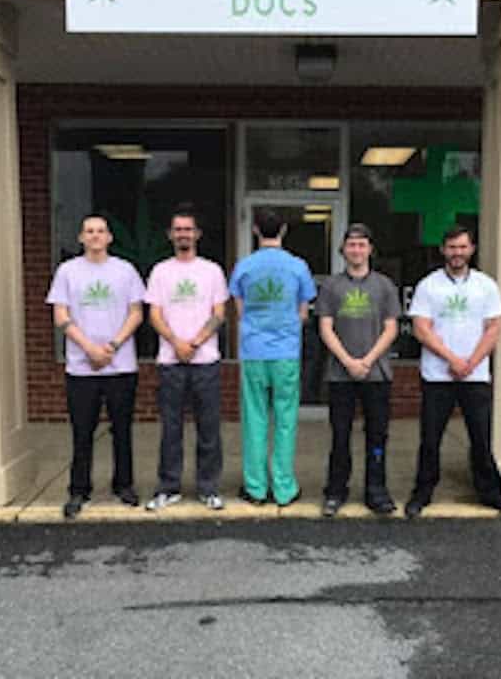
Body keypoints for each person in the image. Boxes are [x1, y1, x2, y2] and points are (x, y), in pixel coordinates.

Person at [405, 225, 501, 520]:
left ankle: (492, 493)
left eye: (462, 247)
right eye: (452, 247)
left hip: (475, 375)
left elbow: (494, 328)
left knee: (480, 437)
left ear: (472, 249)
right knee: (431, 439)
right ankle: (422, 493)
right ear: (443, 250)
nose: (457, 253)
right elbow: (421, 329)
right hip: (437, 375)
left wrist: (471, 362)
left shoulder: (486, 286)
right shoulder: (429, 286)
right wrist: (453, 359)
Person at [46, 214, 145, 519]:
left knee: (122, 429)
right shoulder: (67, 271)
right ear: (81, 238)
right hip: (81, 367)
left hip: (121, 365)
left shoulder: (125, 270)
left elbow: (136, 313)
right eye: (89, 231)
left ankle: (124, 485)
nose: (95, 236)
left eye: (101, 231)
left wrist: (112, 346)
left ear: (109, 237)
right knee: (82, 431)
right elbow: (61, 316)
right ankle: (79, 490)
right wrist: (89, 348)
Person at [229, 208, 316, 507]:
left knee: (254, 419)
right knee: (285, 419)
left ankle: (255, 488)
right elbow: (303, 313)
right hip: (286, 352)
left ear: (255, 230)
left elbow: (240, 312)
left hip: (253, 351)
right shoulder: (298, 266)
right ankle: (283, 487)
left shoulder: (244, 267)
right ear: (284, 230)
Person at [144, 207, 229, 511]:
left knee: (209, 429)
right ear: (170, 235)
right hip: (171, 362)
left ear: (197, 234)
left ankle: (208, 488)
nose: (183, 234)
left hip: (205, 361)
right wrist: (176, 343)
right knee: (171, 429)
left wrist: (195, 342)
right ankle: (169, 487)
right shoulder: (160, 272)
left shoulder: (212, 271)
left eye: (188, 229)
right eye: (178, 229)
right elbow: (154, 314)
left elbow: (219, 313)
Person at [316, 223, 400, 517]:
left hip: (376, 374)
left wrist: (367, 361)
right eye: (351, 245)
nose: (356, 250)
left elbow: (391, 328)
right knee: (340, 435)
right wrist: (348, 361)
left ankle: (376, 490)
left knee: (377, 435)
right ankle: (336, 490)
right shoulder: (331, 286)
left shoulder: (385, 286)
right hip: (340, 375)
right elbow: (325, 328)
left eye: (362, 245)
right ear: (343, 249)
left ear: (370, 249)